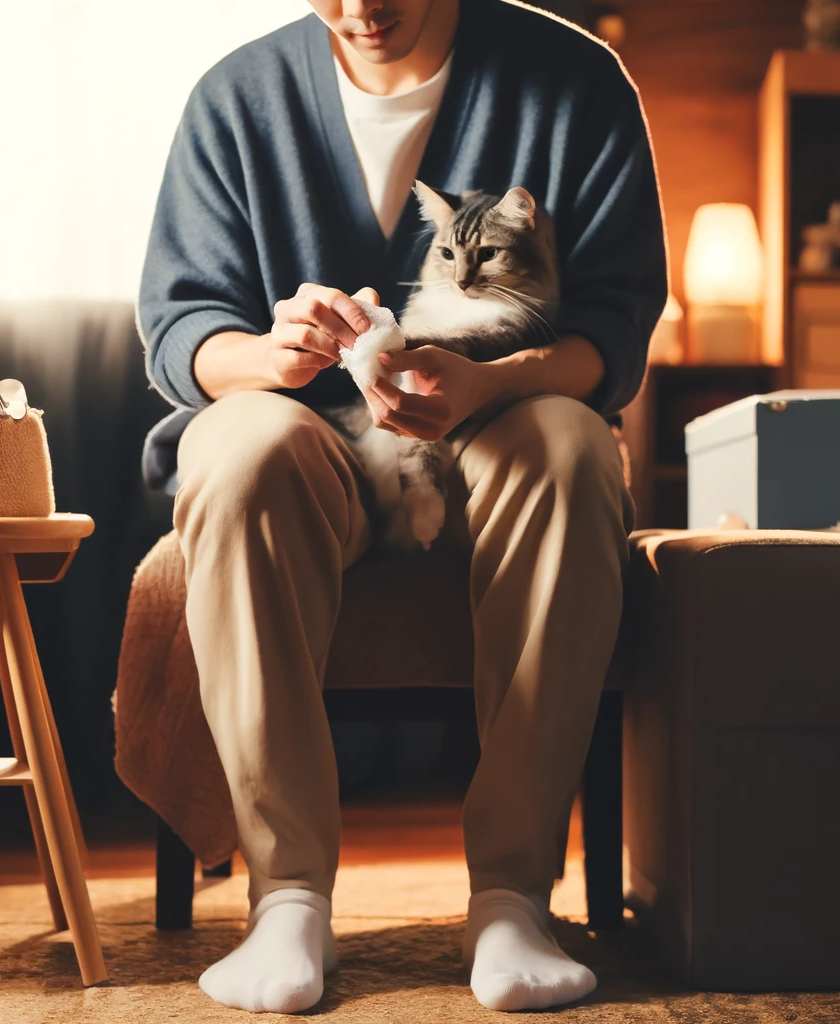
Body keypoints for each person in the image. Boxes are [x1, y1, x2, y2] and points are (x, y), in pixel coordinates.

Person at [137, 0, 666, 1013]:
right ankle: (287, 893)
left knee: (571, 443)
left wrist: (489, 381)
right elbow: (182, 326)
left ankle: (511, 893)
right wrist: (269, 354)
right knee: (236, 448)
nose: (362, 9)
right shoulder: (235, 100)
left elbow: (613, 328)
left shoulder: (576, 84)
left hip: (497, 422)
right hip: (308, 446)